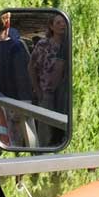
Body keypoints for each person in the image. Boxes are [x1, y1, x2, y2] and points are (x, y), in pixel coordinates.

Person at [28, 14, 69, 146]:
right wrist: (38, 89)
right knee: (45, 128)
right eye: (58, 23)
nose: (62, 25)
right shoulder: (43, 45)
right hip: (47, 93)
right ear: (51, 26)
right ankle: (43, 152)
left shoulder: (69, 44)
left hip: (64, 94)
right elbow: (31, 67)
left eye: (64, 22)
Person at [0, 12, 33, 147]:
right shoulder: (17, 48)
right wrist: (26, 106)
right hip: (14, 109)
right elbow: (23, 80)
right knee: (14, 144)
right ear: (8, 24)